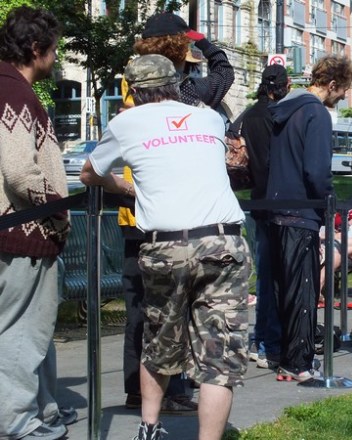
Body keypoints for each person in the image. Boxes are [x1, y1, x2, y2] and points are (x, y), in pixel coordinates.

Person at [80, 54, 251, 440]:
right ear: (175, 84)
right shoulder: (209, 118)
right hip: (223, 240)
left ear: (134, 90)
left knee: (159, 341)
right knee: (219, 355)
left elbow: (90, 174)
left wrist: (127, 187)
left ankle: (149, 428)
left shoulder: (125, 123)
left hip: (166, 246)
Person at [118, 11, 235, 412]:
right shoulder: (183, 94)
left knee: (143, 308)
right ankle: (171, 391)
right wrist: (205, 43)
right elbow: (223, 75)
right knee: (172, 311)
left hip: (135, 212)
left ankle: (139, 390)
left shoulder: (131, 83)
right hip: (171, 216)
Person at [0, 6, 79, 440]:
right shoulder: (14, 92)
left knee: (37, 330)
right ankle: (16, 423)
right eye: (54, 49)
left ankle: (43, 409)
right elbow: (18, 171)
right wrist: (57, 208)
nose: (56, 57)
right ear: (36, 48)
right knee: (20, 334)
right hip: (21, 235)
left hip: (17, 235)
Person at [266, 55, 352, 381]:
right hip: (302, 211)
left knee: (284, 289)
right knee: (304, 290)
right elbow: (317, 171)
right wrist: (327, 200)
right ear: (332, 84)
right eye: (343, 91)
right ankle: (299, 363)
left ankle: (286, 358)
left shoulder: (284, 110)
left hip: (277, 207)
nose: (343, 97)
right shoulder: (316, 113)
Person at [238, 64, 290, 370]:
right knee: (276, 276)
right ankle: (269, 342)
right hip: (280, 200)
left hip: (256, 199)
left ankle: (261, 339)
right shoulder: (278, 115)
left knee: (264, 273)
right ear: (283, 86)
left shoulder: (251, 115)